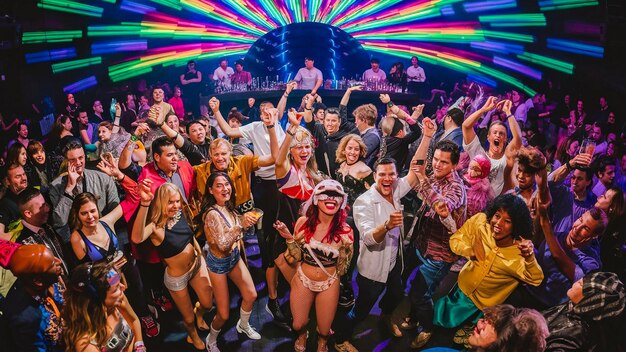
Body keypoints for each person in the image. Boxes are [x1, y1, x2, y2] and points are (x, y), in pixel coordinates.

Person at [334, 156, 419, 352]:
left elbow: (414, 176)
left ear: (396, 176)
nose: (387, 178)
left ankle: (386, 316)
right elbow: (369, 239)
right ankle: (341, 339)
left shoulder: (396, 189)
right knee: (361, 311)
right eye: (382, 174)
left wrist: (427, 137)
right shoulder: (364, 202)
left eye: (391, 174)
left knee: (397, 294)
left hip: (394, 262)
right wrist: (387, 225)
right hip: (373, 271)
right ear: (375, 176)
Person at [433, 194, 544, 335]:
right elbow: (455, 240)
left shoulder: (520, 253)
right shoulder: (480, 223)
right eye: (497, 216)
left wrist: (529, 258)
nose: (498, 223)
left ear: (516, 226)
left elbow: (536, 279)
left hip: (482, 310)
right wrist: (470, 251)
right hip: (459, 292)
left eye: (507, 221)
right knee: (438, 324)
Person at [404, 120, 467, 348]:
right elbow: (416, 167)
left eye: (443, 162)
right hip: (421, 244)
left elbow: (443, 207)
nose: (437, 165)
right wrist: (427, 137)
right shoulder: (434, 176)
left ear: (454, 165)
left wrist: (423, 179)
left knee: (421, 293)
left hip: (438, 254)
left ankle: (427, 328)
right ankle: (413, 316)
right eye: (436, 160)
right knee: (414, 289)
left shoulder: (457, 187)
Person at [274, 180, 354, 352]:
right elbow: (295, 255)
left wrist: (346, 250)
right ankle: (302, 334)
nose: (331, 199)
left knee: (325, 330)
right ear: (316, 199)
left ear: (342, 202)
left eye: (336, 196)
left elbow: (343, 269)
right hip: (303, 279)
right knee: (297, 324)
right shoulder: (303, 222)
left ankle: (322, 342)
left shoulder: (346, 231)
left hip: (329, 282)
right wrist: (289, 237)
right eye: (326, 195)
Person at [133, 180, 213, 350]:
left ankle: (200, 313)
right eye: (170, 202)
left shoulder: (180, 213)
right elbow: (136, 238)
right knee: (188, 318)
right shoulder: (156, 227)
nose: (175, 205)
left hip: (197, 265)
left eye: (177, 201)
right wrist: (145, 204)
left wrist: (201, 257)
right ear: (161, 202)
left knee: (207, 304)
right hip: (178, 279)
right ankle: (192, 336)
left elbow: (191, 237)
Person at [200, 173, 261, 351]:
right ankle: (211, 340)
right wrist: (240, 225)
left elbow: (234, 238)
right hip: (218, 265)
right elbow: (223, 244)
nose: (225, 188)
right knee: (223, 314)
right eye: (219, 185)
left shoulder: (229, 206)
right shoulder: (212, 214)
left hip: (234, 258)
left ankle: (243, 325)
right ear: (210, 190)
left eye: (227, 184)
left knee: (251, 295)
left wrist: (244, 224)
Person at [63, 262, 145, 352]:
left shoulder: (118, 300)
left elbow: (134, 320)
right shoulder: (85, 343)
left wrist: (139, 345)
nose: (123, 287)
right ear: (97, 300)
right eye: (116, 288)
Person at [48, 141, 120, 240]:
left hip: (103, 234)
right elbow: (59, 222)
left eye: (81, 158)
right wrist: (69, 188)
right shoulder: (55, 186)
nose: (78, 163)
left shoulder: (103, 179)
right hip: (74, 239)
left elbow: (116, 210)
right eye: (72, 160)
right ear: (66, 161)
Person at [2, 242, 66, 352]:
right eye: (52, 264)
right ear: (38, 281)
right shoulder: (26, 319)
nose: (58, 262)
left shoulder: (51, 280)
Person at [543, 272, 625, 351]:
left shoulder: (576, 332)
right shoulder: (573, 306)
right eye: (586, 278)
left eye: (584, 285)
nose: (580, 281)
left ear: (592, 303)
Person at [462, 97, 523, 196]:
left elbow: (518, 139)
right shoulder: (478, 152)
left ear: (506, 139)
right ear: (488, 137)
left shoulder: (506, 159)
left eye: (501, 133)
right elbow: (466, 126)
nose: (498, 135)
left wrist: (508, 112)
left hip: (491, 206)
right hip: (470, 201)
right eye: (494, 132)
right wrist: (484, 109)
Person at [15, 187, 70, 276]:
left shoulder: (47, 227)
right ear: (28, 213)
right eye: (42, 206)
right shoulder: (23, 245)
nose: (47, 209)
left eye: (46, 204)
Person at [0, 164, 29, 240]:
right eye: (18, 176)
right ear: (7, 181)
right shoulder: (5, 205)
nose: (24, 178)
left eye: (24, 174)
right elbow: (0, 235)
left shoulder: (33, 191)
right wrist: (22, 235)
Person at [352, 103, 381, 169]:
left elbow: (360, 155)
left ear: (364, 120)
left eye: (357, 119)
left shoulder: (373, 136)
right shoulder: (368, 134)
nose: (355, 122)